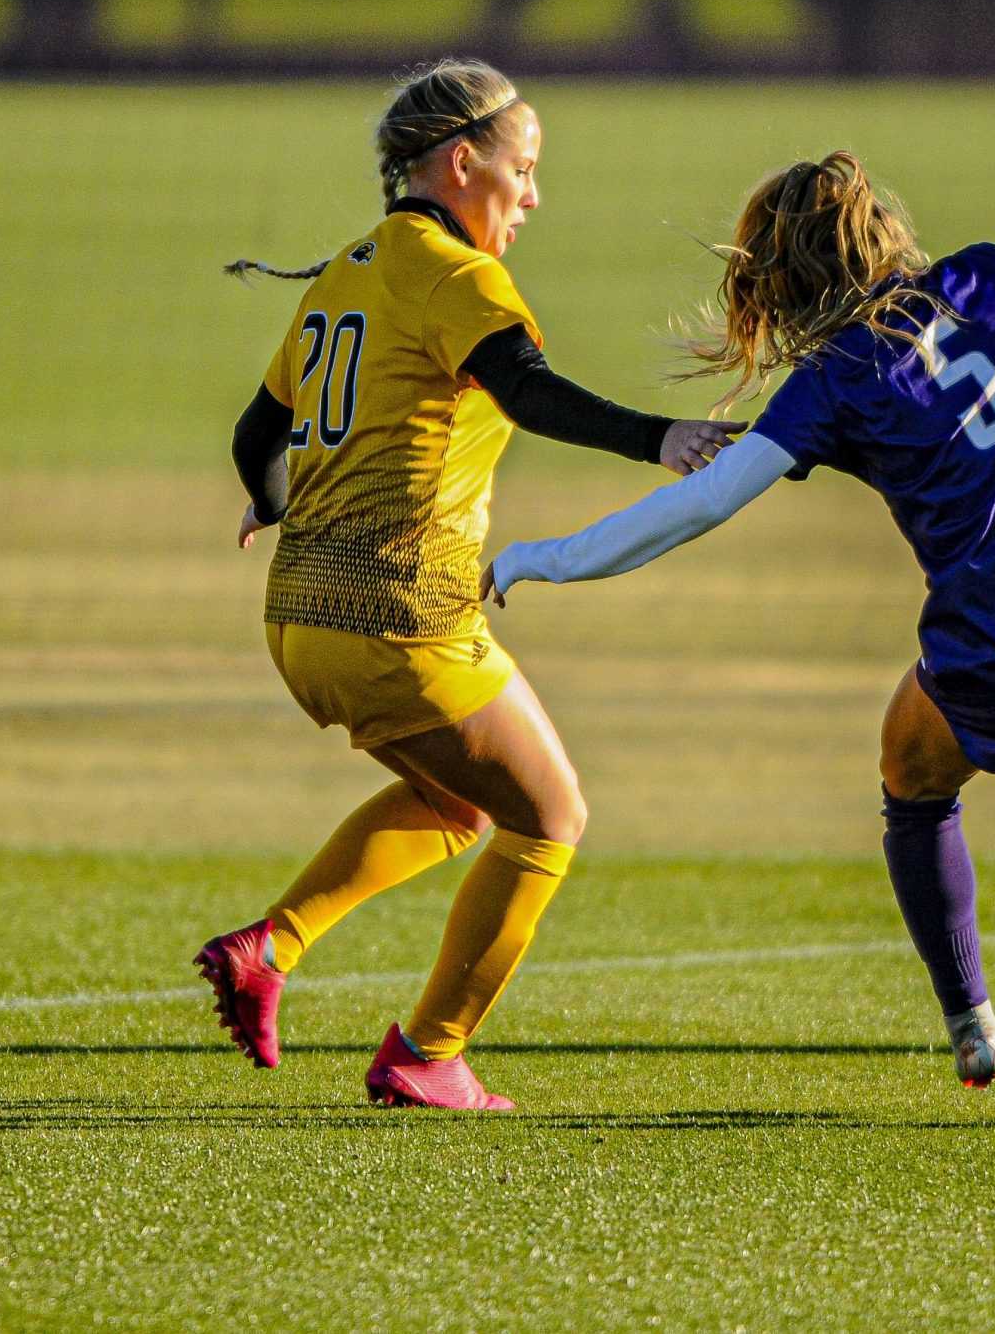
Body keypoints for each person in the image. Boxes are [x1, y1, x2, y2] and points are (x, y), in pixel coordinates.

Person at [483, 117, 995, 1089]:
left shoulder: (835, 378)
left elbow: (700, 503)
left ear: (785, 282)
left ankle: (973, 1023)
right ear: (883, 229)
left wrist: (539, 557)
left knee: (912, 779)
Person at [197, 58, 741, 1111]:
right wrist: (660, 438)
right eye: (522, 169)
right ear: (461, 162)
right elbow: (525, 391)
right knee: (550, 816)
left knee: (457, 804)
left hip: (301, 619)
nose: (532, 196)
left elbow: (254, 432)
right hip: (402, 611)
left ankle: (272, 945)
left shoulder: (351, 266)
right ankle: (428, 1051)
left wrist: (271, 503)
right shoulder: (457, 274)